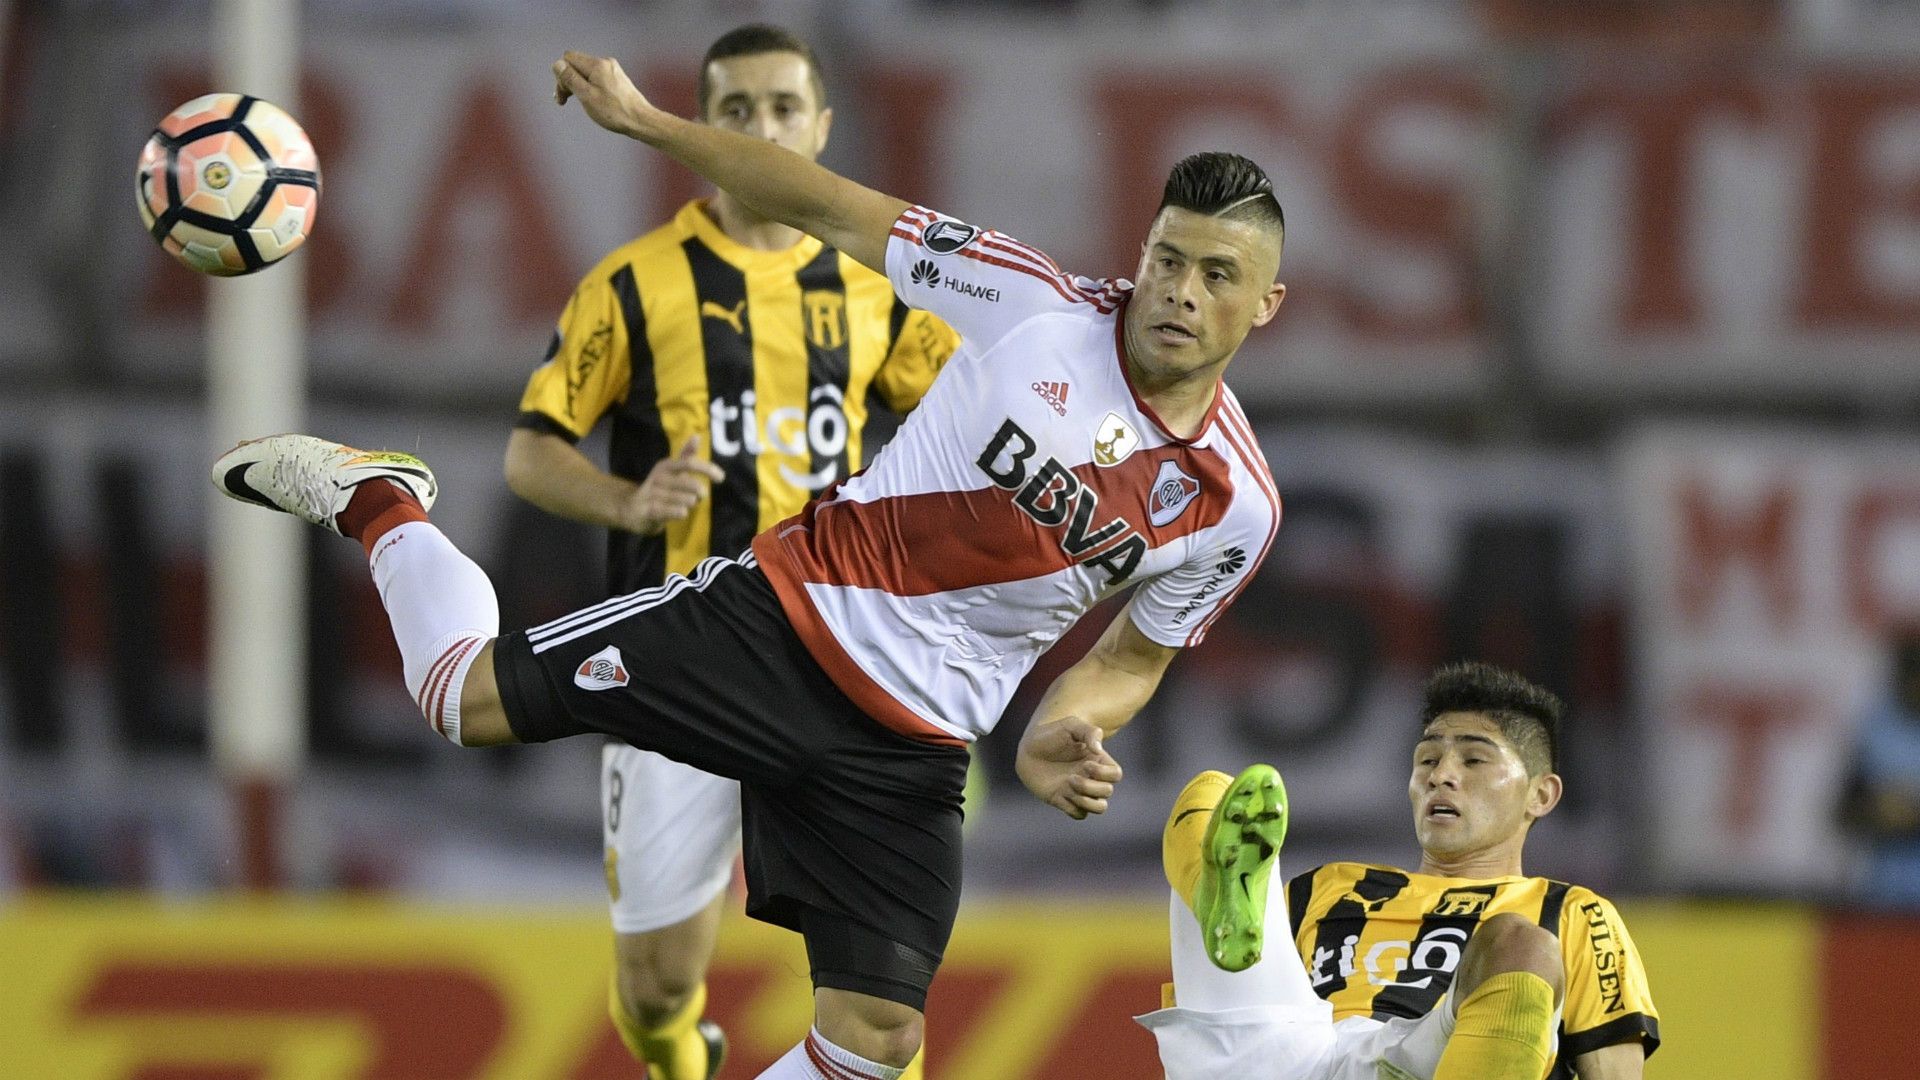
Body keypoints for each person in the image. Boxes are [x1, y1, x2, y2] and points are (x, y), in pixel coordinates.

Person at [210, 45, 1285, 1079]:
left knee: (876, 1041)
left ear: (1266, 304)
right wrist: (649, 123)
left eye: (1217, 275)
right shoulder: (1029, 300)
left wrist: (1062, 726)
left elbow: (1133, 659)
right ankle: (381, 501)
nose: (1179, 291)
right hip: (781, 626)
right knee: (461, 698)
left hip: (914, 742)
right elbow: (826, 205)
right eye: (1167, 259)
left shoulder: (1236, 505)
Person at [503, 26, 956, 1080]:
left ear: (822, 126)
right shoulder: (632, 284)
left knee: (882, 988)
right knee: (657, 982)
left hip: (839, 662)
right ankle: (677, 1050)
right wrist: (627, 500)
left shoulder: (875, 290)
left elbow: (967, 423)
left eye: (785, 108)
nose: (765, 129)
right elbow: (532, 451)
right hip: (680, 658)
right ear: (705, 127)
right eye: (739, 110)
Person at [1142, 662, 1659, 1080]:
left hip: (1414, 1061)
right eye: (1427, 760)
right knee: (1211, 797)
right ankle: (1217, 898)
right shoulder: (1325, 886)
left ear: (1540, 794)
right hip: (1281, 1051)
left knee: (1520, 944)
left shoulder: (1573, 913)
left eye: (1474, 761)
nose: (1441, 776)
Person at [1838, 627, 1920, 909]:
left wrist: (1913, 815)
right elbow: (1843, 811)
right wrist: (1877, 810)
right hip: (1885, 896)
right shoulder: (1877, 730)